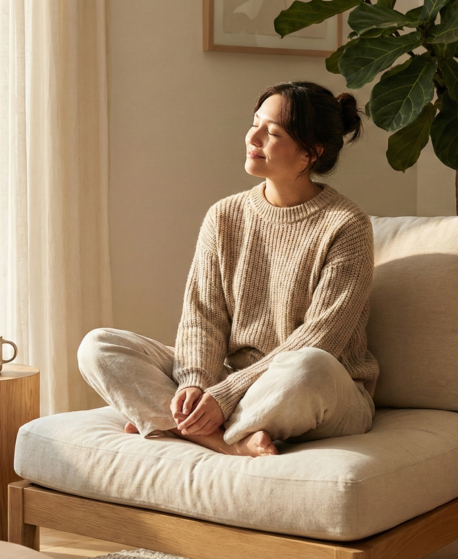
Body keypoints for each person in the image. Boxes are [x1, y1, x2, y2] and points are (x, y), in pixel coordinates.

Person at [78, 81, 379, 457]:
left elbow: (321, 339)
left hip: (321, 392)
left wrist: (223, 396)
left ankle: (168, 423)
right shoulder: (225, 216)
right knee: (99, 346)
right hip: (232, 382)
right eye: (255, 123)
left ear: (311, 154)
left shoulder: (346, 225)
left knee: (308, 366)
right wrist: (194, 384)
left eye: (271, 133)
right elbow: (202, 317)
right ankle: (224, 440)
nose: (252, 137)